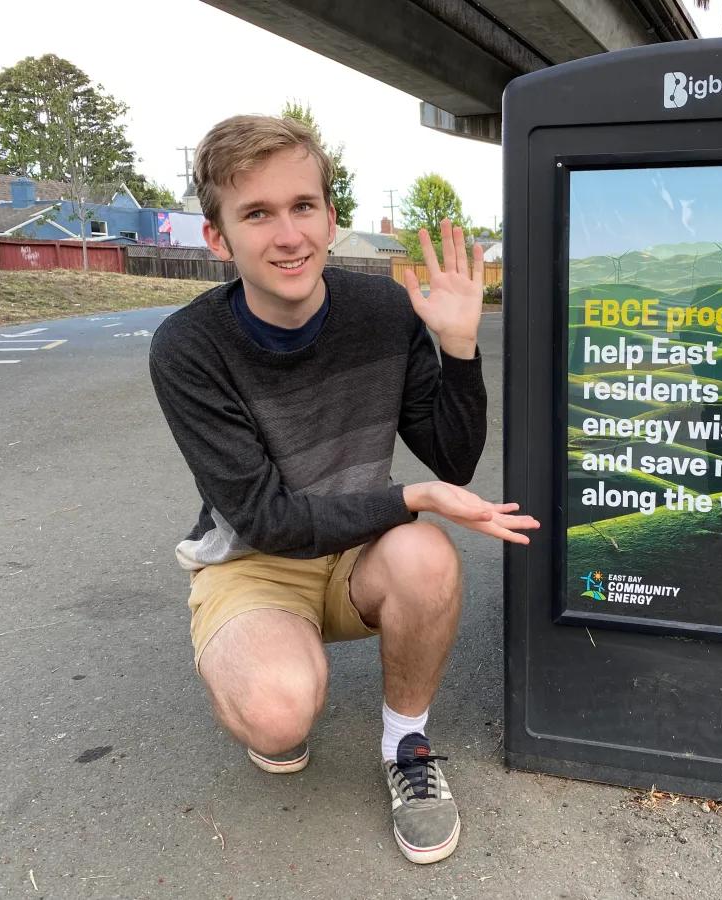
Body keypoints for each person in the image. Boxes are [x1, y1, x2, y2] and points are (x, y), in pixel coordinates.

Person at [148, 114, 537, 865]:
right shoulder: (190, 349)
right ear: (219, 239)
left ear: (331, 217)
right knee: (279, 713)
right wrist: (410, 500)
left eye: (302, 206)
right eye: (256, 213)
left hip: (358, 553)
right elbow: (267, 519)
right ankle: (263, 664)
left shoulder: (382, 312)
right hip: (255, 561)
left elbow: (451, 459)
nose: (287, 234)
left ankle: (405, 743)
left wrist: (459, 349)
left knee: (426, 558)